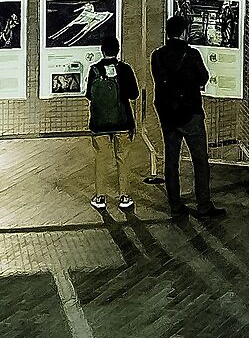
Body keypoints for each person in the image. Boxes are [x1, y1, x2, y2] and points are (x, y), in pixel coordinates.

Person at [151, 14, 220, 218]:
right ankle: (204, 206)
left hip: (167, 115)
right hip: (190, 114)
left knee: (171, 160)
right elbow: (203, 77)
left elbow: (159, 78)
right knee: (200, 160)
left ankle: (175, 205)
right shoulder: (192, 54)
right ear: (183, 32)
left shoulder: (157, 55)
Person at [83, 37, 138, 212]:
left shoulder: (94, 70)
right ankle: (125, 196)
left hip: (99, 124)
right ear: (118, 50)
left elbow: (90, 96)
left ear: (102, 50)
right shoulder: (125, 69)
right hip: (122, 121)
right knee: (123, 157)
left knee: (101, 158)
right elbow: (134, 94)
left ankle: (100, 197)